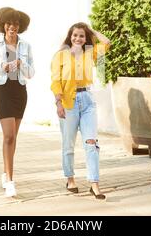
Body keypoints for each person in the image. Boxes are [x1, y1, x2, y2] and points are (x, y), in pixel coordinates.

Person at [51, 22, 110, 200]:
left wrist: (91, 30)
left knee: (91, 143)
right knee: (68, 145)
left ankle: (94, 184)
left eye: (82, 36)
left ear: (86, 39)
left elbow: (106, 43)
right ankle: (70, 179)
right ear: (70, 36)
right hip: (68, 102)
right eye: (75, 35)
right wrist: (58, 103)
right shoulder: (60, 56)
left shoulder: (90, 53)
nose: (78, 38)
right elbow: (55, 81)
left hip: (87, 102)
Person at [0, 7, 34, 197]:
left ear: (20, 27)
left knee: (14, 137)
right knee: (8, 136)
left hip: (20, 91)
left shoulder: (25, 46)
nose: (12, 27)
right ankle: (10, 181)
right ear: (3, 25)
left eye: (16, 24)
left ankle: (6, 173)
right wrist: (0, 66)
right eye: (9, 23)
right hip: (2, 92)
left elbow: (32, 73)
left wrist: (22, 63)